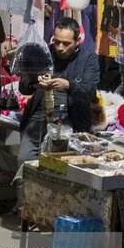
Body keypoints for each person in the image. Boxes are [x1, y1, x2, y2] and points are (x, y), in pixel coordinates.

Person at [17, 16, 99, 167]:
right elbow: (23, 88)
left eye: (66, 44)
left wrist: (68, 85)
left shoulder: (88, 58)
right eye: (57, 42)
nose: (60, 47)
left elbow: (89, 92)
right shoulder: (44, 53)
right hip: (39, 114)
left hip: (70, 117)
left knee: (59, 165)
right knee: (25, 161)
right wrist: (33, 81)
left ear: (77, 41)